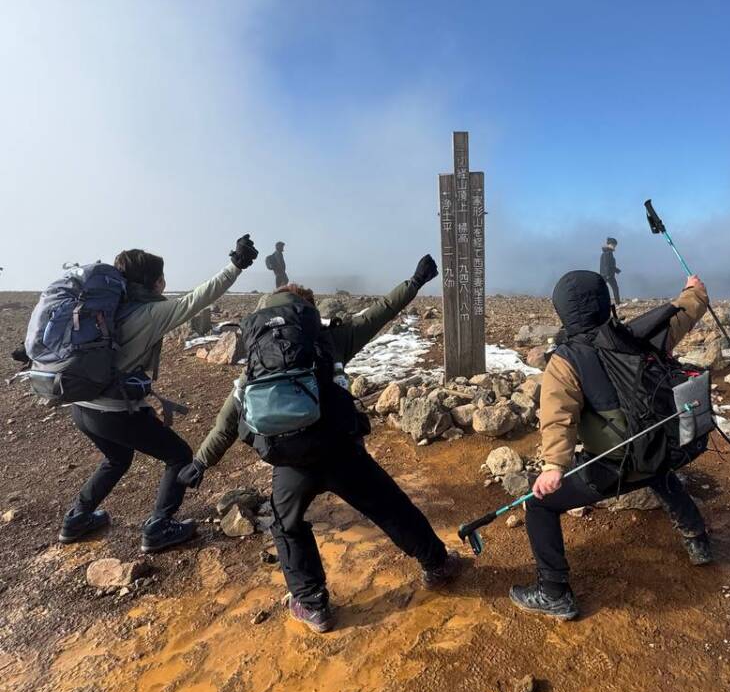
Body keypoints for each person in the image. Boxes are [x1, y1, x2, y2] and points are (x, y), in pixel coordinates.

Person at [180, 254, 463, 633]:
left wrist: (201, 463)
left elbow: (229, 418)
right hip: (340, 449)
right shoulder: (326, 339)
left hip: (290, 460)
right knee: (389, 506)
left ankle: (313, 605)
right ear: (307, 311)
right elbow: (379, 312)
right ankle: (438, 564)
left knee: (287, 525)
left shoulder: (258, 354)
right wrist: (414, 282)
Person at [509, 270, 713, 621]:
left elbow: (558, 418)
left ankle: (554, 592)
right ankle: (697, 540)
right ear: (607, 302)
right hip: (662, 448)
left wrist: (553, 467)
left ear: (563, 312)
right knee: (657, 470)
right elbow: (683, 312)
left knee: (539, 504)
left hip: (613, 467)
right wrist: (695, 291)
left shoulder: (566, 360)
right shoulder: (639, 335)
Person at [59, 235, 258, 552]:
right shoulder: (150, 313)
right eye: (162, 277)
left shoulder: (106, 309)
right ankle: (159, 527)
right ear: (153, 282)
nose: (165, 282)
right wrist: (235, 266)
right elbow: (196, 300)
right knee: (178, 456)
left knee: (117, 457)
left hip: (81, 405)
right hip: (110, 411)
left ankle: (76, 519)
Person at [599, 237, 621, 304]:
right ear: (609, 244)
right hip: (608, 275)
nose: (614, 246)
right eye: (614, 245)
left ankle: (600, 302)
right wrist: (608, 274)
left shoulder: (606, 252)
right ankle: (618, 303)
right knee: (615, 288)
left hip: (605, 274)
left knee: (602, 289)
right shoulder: (608, 253)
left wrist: (616, 270)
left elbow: (609, 265)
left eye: (615, 245)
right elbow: (607, 265)